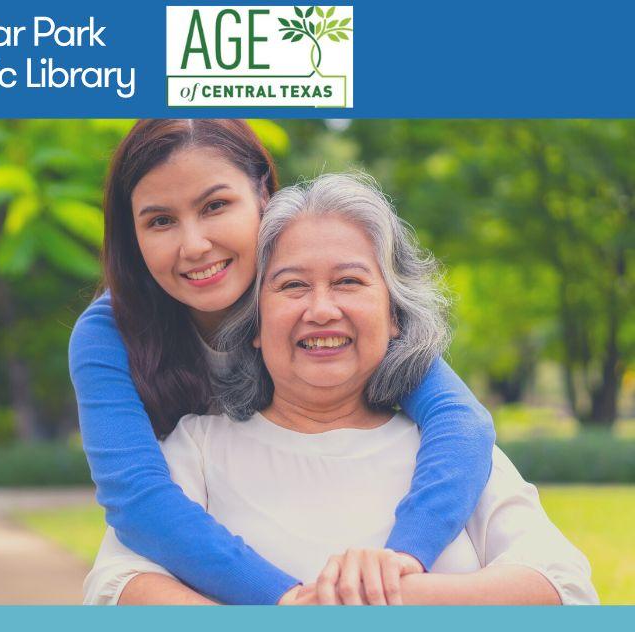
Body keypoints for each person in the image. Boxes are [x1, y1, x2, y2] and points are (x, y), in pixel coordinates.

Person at [83, 173, 597, 606]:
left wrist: (386, 592)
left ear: (394, 315)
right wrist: (283, 624)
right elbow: (115, 589)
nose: (322, 309)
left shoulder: (447, 451)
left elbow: (565, 585)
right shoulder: (197, 447)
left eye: (349, 282)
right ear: (254, 324)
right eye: (291, 286)